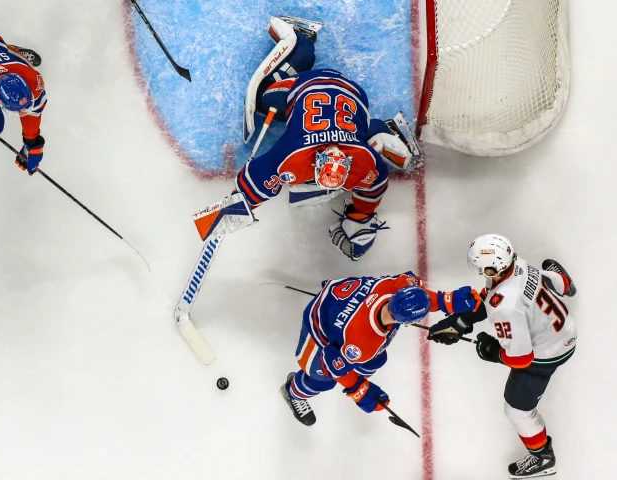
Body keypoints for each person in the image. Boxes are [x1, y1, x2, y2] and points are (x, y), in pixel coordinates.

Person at [235, 16, 418, 261]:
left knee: (361, 137)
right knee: (263, 98)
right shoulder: (297, 153)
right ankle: (299, 42)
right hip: (322, 87)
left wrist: (241, 203)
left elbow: (377, 181)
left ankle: (385, 130)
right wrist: (238, 205)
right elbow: (254, 179)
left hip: (350, 96)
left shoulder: (362, 161)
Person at [427, 234, 577, 478]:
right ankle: (565, 284)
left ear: (492, 267)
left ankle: (543, 458)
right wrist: (462, 321)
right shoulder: (517, 265)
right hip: (562, 328)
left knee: (516, 409)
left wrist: (490, 350)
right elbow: (492, 297)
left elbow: (520, 359)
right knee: (544, 278)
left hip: (550, 352)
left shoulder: (505, 305)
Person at [280, 272, 482, 426]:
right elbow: (332, 364)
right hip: (319, 326)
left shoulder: (399, 286)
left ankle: (351, 371)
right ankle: (293, 392)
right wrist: (360, 391)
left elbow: (422, 297)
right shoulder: (363, 343)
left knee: (377, 359)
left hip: (338, 300)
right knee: (322, 379)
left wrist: (447, 300)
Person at [0, 31, 46, 175]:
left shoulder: (32, 79)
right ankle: (7, 51)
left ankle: (10, 50)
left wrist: (32, 143)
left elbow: (34, 111)